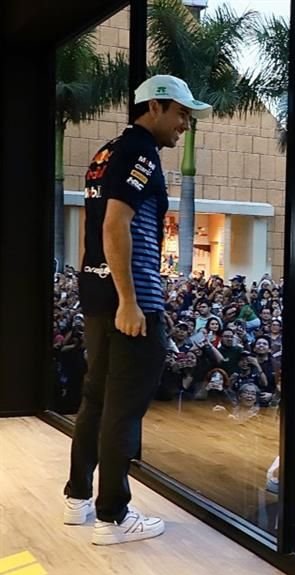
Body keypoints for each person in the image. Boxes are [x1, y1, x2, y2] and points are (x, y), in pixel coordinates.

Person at [63, 75, 211, 545]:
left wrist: (100, 286)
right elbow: (114, 224)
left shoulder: (107, 151)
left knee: (97, 398)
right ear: (157, 107)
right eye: (182, 113)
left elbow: (94, 226)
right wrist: (129, 300)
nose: (185, 124)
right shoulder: (141, 152)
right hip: (131, 300)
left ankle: (78, 498)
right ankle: (113, 517)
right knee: (123, 407)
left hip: (97, 291)